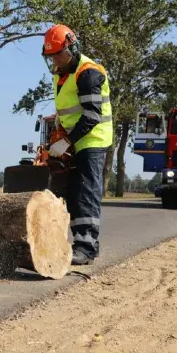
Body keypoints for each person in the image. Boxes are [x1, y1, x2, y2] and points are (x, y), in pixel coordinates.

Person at [41, 24, 113, 265]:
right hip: (73, 139)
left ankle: (87, 247)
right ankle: (81, 243)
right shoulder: (61, 73)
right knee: (70, 192)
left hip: (92, 139)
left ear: (72, 48)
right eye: (51, 57)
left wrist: (66, 142)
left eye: (58, 55)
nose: (55, 61)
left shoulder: (88, 73)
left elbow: (92, 115)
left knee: (86, 192)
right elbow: (66, 110)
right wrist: (59, 134)